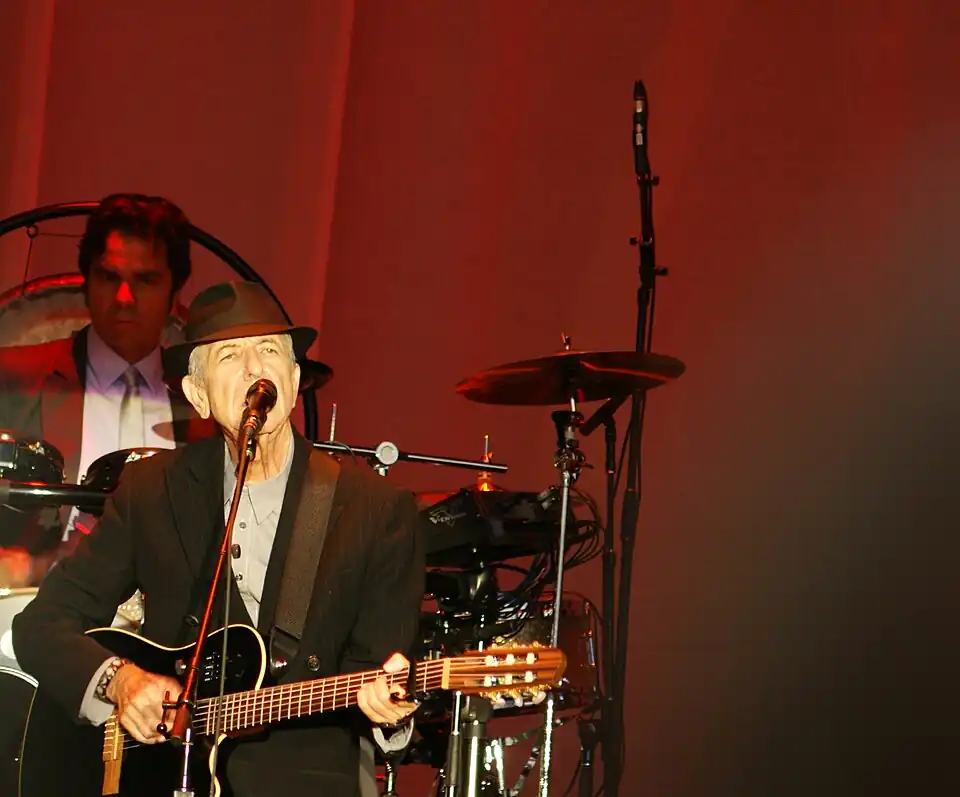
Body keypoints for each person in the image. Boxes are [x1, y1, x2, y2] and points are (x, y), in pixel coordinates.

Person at [13, 280, 425, 795]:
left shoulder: (377, 510)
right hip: (160, 775)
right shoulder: (152, 490)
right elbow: (41, 625)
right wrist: (120, 680)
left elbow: (382, 683)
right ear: (198, 395)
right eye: (230, 355)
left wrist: (391, 714)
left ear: (295, 379)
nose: (255, 369)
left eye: (269, 350)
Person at [0, 193, 212, 587]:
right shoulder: (10, 378)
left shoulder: (206, 409)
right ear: (87, 282)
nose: (124, 299)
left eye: (146, 280)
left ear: (175, 293)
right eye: (109, 277)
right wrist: (23, 566)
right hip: (35, 608)